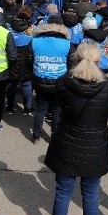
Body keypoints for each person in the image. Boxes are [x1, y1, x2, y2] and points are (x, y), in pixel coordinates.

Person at [45, 42, 108, 215]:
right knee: (91, 193)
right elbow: (107, 113)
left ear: (76, 58)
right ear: (98, 60)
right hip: (95, 145)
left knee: (62, 192)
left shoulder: (63, 83)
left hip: (68, 142)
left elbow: (59, 109)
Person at [30, 15, 72, 144]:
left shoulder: (35, 40)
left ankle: (36, 136)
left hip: (39, 78)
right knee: (56, 110)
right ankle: (54, 135)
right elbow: (71, 63)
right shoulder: (67, 43)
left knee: (40, 109)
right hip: (58, 80)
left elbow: (29, 59)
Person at [7, 6, 35, 116]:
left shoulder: (9, 27)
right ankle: (27, 108)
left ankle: (10, 107)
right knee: (27, 83)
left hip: (12, 57)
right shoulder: (33, 29)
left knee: (12, 83)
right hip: (26, 58)